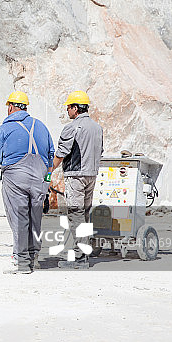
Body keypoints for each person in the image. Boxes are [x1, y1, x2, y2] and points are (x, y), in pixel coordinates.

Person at [0, 91, 55, 274]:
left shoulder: (5, 128)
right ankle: (34, 257)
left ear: (11, 107)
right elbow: (51, 157)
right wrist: (47, 181)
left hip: (15, 178)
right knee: (35, 218)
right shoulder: (41, 126)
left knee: (19, 217)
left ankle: (22, 262)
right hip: (40, 178)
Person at [52, 91, 104, 270]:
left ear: (76, 108)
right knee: (85, 214)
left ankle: (79, 257)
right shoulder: (97, 128)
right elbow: (100, 152)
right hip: (92, 175)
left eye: (68, 107)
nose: (67, 111)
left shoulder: (72, 128)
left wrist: (49, 170)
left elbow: (61, 153)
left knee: (75, 215)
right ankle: (84, 251)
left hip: (76, 176)